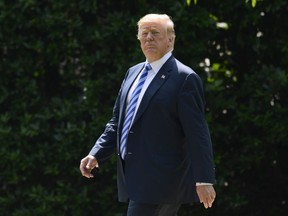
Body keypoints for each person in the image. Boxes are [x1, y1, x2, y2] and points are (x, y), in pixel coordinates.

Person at [80, 13, 216, 216]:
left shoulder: (184, 78)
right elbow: (118, 122)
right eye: (144, 33)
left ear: (170, 40)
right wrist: (96, 153)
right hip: (134, 178)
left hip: (163, 181)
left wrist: (204, 179)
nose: (148, 38)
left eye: (155, 33)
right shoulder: (132, 73)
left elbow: (198, 133)